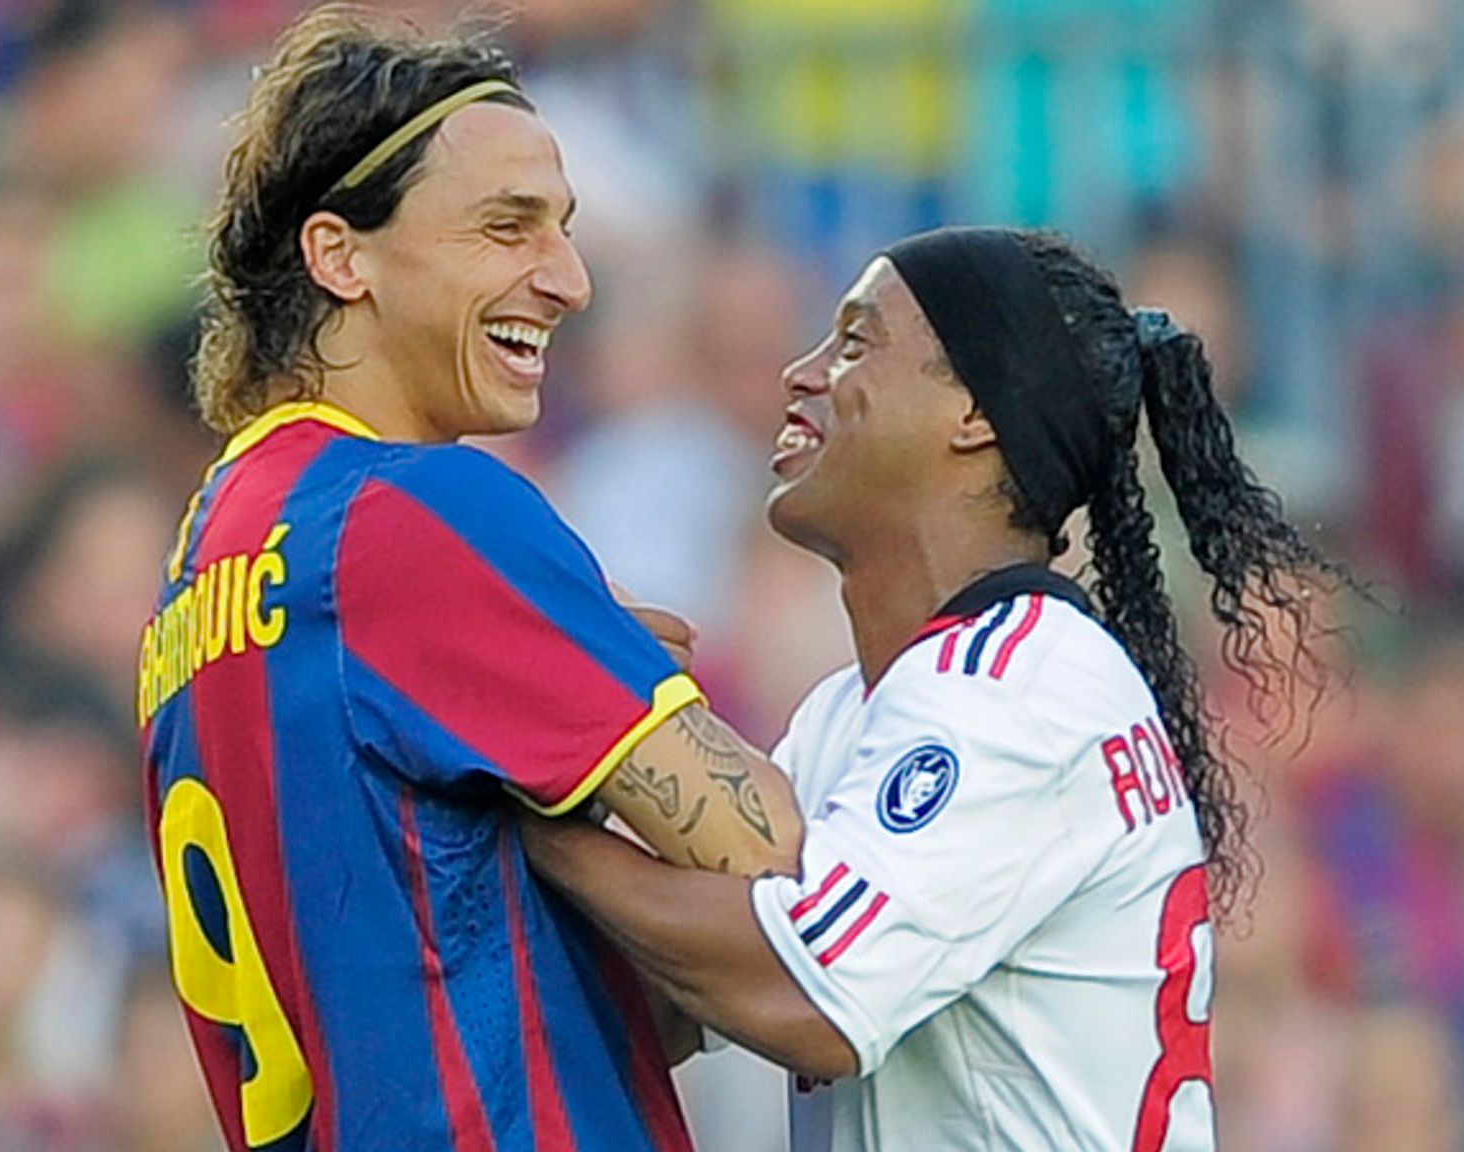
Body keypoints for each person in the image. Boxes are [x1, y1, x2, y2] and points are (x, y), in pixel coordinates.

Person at [137, 8, 803, 1152]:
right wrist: (594, 737)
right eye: (507, 227)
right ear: (340, 255)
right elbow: (775, 864)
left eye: (563, 229)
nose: (569, 280)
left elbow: (554, 995)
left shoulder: (198, 568)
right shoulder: (414, 513)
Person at [522, 227, 1342, 1151]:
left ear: (973, 414)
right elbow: (676, 998)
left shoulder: (1022, 690)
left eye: (854, 342)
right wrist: (582, 746)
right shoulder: (859, 707)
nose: (801, 372)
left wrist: (548, 811)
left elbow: (807, 994)